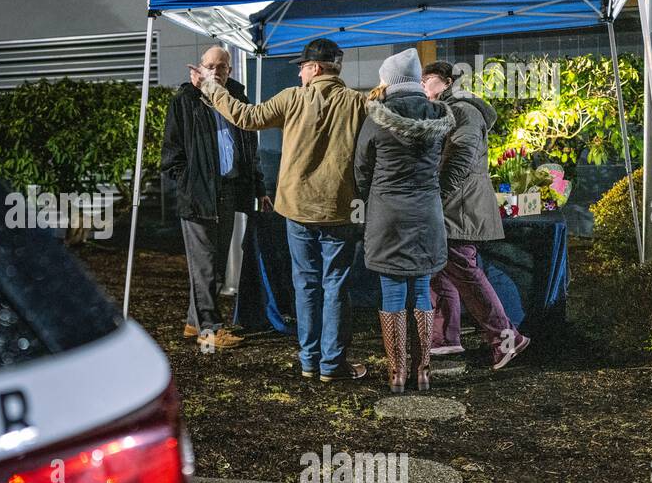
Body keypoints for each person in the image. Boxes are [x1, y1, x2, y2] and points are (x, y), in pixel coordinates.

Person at [196, 38, 369, 381]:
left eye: (304, 68)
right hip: (339, 209)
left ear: (315, 68)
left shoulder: (292, 99)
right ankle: (332, 366)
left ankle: (309, 361)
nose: (301, 75)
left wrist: (212, 88)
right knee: (335, 285)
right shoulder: (356, 103)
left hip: (296, 208)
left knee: (305, 284)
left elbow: (246, 117)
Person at [354, 49, 455, 392]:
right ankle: (423, 371)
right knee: (422, 287)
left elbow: (361, 168)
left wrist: (374, 195)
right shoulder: (438, 116)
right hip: (427, 211)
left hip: (387, 213)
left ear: (392, 81)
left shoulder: (377, 116)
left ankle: (397, 374)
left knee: (392, 287)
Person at [422, 61, 531, 369]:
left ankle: (507, 338)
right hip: (454, 206)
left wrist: (437, 195)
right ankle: (445, 338)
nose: (422, 87)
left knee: (464, 271)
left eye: (427, 81)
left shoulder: (462, 112)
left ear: (445, 83)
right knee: (440, 270)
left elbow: (461, 157)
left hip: (461, 207)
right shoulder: (450, 111)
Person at [161, 46, 270, 350]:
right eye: (209, 66)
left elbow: (250, 150)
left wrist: (259, 189)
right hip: (198, 194)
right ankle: (209, 329)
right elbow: (171, 155)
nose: (215, 71)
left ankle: (194, 321)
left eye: (221, 67)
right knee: (205, 264)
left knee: (215, 263)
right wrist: (189, 183)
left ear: (229, 71)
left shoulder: (238, 99)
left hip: (229, 191)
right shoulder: (185, 101)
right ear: (199, 68)